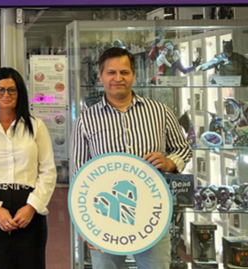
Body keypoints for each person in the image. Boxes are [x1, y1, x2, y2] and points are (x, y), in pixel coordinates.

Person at [71, 47, 192, 269]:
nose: (118, 78)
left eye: (124, 72)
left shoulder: (160, 112)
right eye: (111, 72)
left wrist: (169, 162)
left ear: (134, 75)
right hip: (105, 215)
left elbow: (184, 148)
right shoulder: (86, 120)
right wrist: (84, 224)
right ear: (100, 76)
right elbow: (79, 173)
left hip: (152, 214)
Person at [0, 67, 56, 269]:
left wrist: (32, 207)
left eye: (12, 90)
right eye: (0, 90)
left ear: (20, 93)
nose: (6, 95)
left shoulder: (36, 126)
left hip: (29, 210)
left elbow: (48, 171)